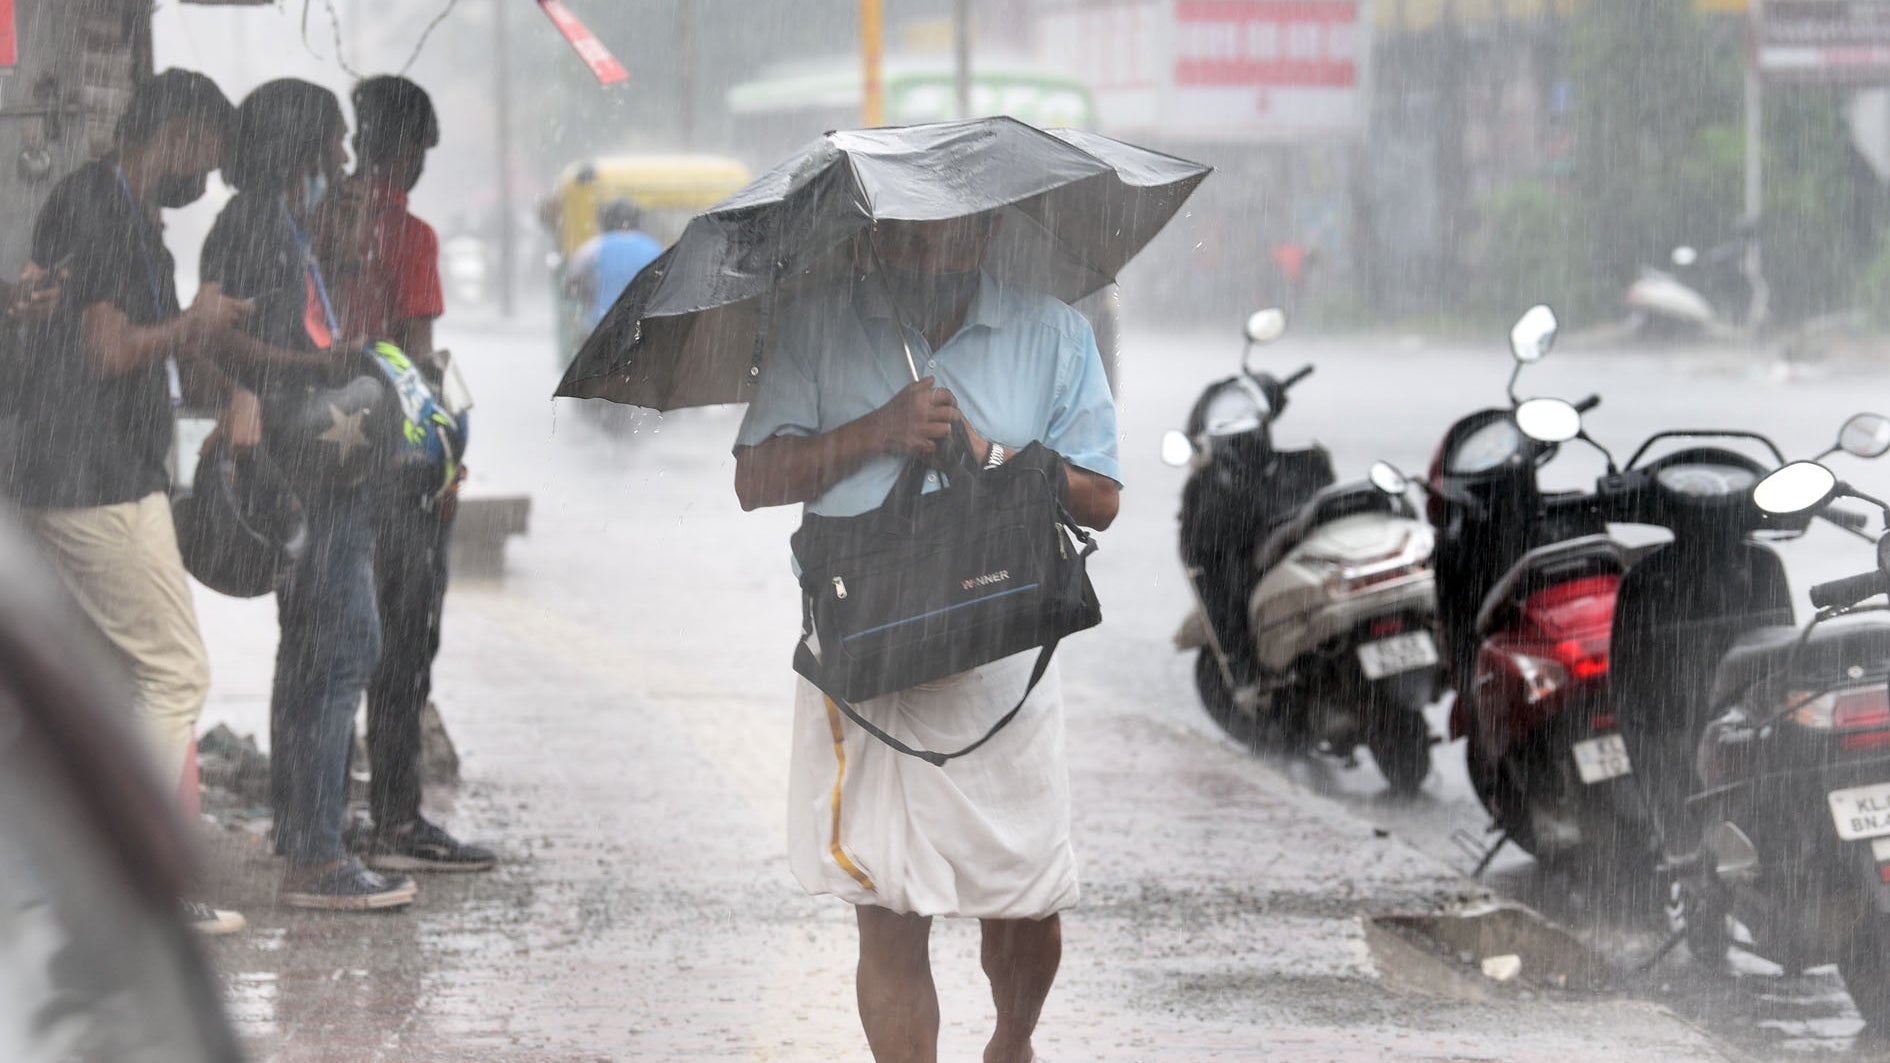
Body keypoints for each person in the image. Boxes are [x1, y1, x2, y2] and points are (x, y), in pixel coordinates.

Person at [731, 215, 1121, 1063]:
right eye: (907, 236)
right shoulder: (819, 326)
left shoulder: (1053, 334)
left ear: (988, 229)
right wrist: (876, 430)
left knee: (1025, 901)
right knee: (889, 909)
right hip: (868, 658)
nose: (930, 255)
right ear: (872, 236)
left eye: (951, 235)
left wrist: (997, 456)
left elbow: (1102, 497)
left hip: (1002, 656)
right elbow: (753, 477)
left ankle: (1012, 1039)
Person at [10, 68, 255, 936]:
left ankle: (77, 879)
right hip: (96, 480)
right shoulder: (103, 209)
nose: (207, 176)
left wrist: (218, 368)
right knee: (174, 671)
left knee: (112, 681)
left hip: (78, 472)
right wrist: (194, 323)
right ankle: (139, 887)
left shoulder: (119, 213)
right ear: (178, 132)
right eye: (208, 155)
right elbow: (109, 350)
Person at [199, 78, 415, 912]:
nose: (345, 153)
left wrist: (344, 257)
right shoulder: (255, 224)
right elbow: (228, 342)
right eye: (333, 137)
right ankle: (318, 857)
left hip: (318, 463)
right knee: (342, 646)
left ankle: (303, 833)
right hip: (309, 467)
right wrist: (312, 367)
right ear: (300, 145)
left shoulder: (278, 220)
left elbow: (292, 324)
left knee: (313, 651)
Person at [332, 73, 494, 873]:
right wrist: (447, 469)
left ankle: (324, 814)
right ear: (409, 150)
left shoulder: (323, 219)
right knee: (402, 647)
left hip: (325, 455)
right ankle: (396, 817)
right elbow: (419, 365)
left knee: (331, 641)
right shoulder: (409, 234)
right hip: (397, 473)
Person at [565, 197, 661, 331]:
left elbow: (572, 282)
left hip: (601, 324)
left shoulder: (594, 247)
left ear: (605, 221)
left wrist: (588, 295)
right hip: (642, 324)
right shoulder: (654, 248)